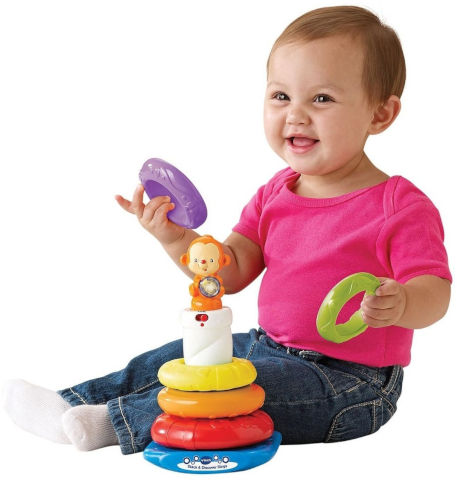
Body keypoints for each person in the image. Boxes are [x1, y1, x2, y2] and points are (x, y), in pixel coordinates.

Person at [3, 5, 452, 455]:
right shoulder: (276, 193)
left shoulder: (399, 206)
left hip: (350, 382)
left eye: (321, 99)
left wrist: (402, 302)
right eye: (281, 96)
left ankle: (113, 423)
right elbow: (229, 270)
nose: (295, 115)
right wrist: (175, 238)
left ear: (380, 114)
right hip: (267, 347)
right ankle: (72, 401)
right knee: (179, 356)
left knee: (228, 391)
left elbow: (435, 291)